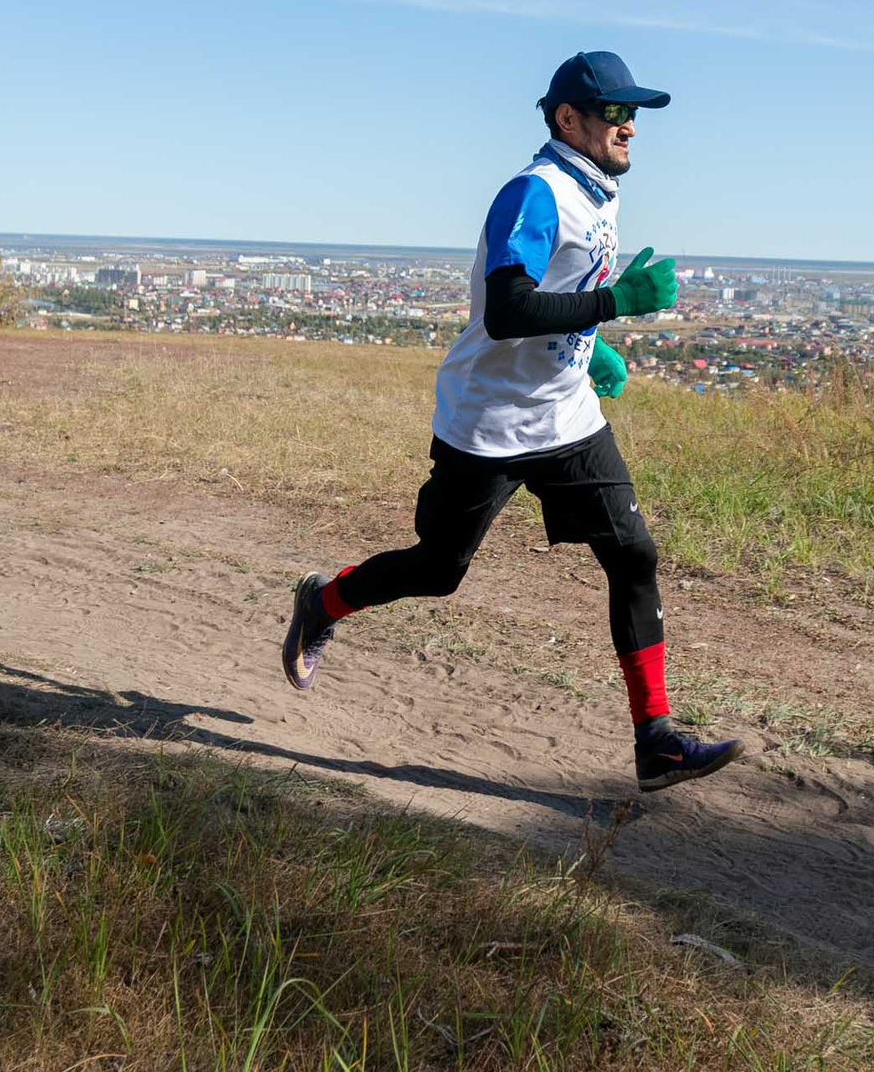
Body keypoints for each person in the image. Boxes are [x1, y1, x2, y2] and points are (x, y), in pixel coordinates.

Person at [279, 51, 742, 793]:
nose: (631, 127)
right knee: (439, 570)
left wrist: (591, 352)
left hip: (565, 417)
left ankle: (655, 741)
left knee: (634, 555)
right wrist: (617, 304)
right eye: (617, 112)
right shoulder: (535, 193)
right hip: (487, 424)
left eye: (636, 114)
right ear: (568, 119)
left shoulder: (596, 189)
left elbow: (564, 290)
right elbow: (507, 309)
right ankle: (321, 600)